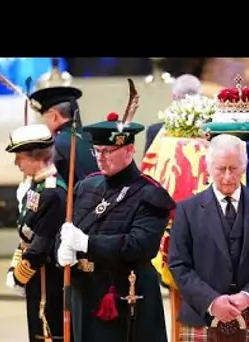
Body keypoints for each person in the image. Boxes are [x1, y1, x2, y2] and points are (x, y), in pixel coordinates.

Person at [55, 111, 176, 342]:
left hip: (124, 296)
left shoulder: (150, 194)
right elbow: (67, 231)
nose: (100, 157)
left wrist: (86, 243)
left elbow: (140, 246)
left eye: (108, 151)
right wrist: (61, 250)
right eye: (97, 151)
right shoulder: (85, 186)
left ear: (129, 151)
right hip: (84, 294)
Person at [168, 134, 249, 342]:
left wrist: (247, 297)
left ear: (244, 166)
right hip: (201, 316)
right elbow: (178, 265)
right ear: (209, 167)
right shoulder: (187, 209)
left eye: (233, 169)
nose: (227, 177)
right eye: (220, 169)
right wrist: (212, 301)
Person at [4, 124, 67, 342]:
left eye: (19, 157)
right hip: (36, 277)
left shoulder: (52, 193)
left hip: (46, 279)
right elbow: (26, 236)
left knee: (46, 333)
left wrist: (18, 275)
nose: (17, 164)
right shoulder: (36, 187)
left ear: (36, 157)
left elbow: (40, 247)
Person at [28, 86, 99, 184]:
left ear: (54, 116)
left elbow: (53, 191)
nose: (44, 123)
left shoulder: (54, 146)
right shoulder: (96, 138)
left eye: (44, 118)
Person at [144, 74, 202, 152]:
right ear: (200, 96)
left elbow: (148, 163)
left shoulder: (155, 131)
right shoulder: (210, 131)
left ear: (174, 96)